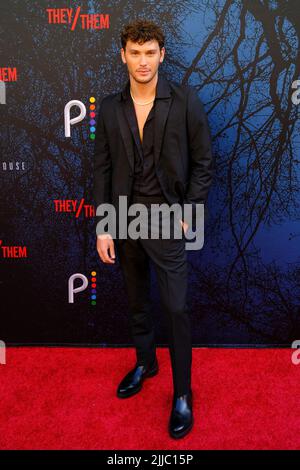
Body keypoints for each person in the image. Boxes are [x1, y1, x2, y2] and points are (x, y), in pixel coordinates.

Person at [93, 19, 214, 439]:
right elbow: (103, 169)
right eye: (135, 52)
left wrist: (188, 212)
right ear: (123, 54)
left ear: (162, 54)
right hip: (124, 220)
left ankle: (183, 393)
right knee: (137, 302)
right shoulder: (109, 107)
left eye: (150, 53)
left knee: (176, 308)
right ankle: (146, 362)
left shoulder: (184, 101)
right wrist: (104, 226)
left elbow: (204, 163)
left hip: (166, 219)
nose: (142, 61)